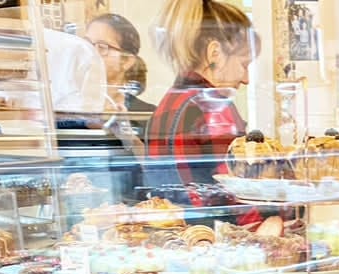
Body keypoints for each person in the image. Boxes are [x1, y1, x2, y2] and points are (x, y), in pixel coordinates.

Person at [144, 0, 258, 197]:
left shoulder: (168, 102)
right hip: (216, 227)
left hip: (178, 226)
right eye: (244, 64)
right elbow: (236, 196)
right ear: (215, 54)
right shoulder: (214, 108)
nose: (246, 79)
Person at [85, 13, 155, 113]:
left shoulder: (146, 114)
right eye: (86, 43)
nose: (89, 52)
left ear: (126, 61)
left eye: (101, 47)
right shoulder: (68, 106)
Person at [43, 26, 107, 114]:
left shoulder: (81, 51)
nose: (97, 49)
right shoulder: (80, 50)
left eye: (102, 47)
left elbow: (89, 117)